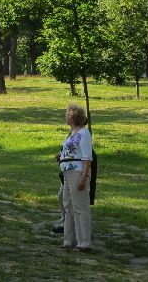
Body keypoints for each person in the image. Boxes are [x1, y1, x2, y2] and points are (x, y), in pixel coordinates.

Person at [57, 103, 93, 252]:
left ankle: (83, 242)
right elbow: (73, 151)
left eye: (67, 114)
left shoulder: (84, 133)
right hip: (67, 173)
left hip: (78, 172)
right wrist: (62, 156)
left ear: (72, 117)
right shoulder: (73, 132)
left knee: (80, 207)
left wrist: (84, 177)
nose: (65, 117)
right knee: (68, 206)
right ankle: (69, 240)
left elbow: (87, 157)